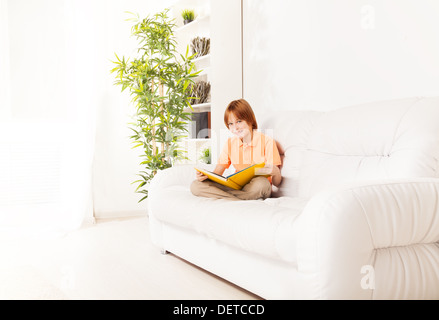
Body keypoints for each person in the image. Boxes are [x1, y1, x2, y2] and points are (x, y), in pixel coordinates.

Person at [190, 99, 282, 201]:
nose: (235, 128)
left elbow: (277, 183)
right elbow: (217, 173)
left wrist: (276, 172)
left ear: (250, 120)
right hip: (237, 187)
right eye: (231, 124)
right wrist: (206, 177)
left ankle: (230, 199)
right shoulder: (230, 143)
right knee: (196, 185)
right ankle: (237, 201)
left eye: (239, 121)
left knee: (262, 183)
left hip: (256, 187)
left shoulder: (267, 142)